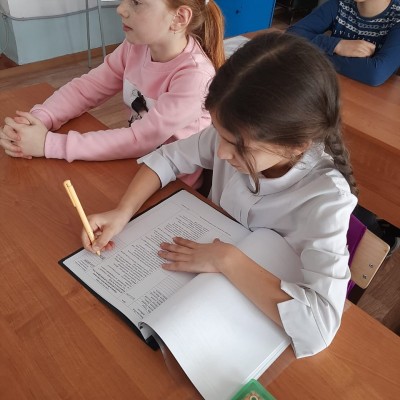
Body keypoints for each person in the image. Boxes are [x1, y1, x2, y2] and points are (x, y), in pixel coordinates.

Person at [80, 32, 358, 358]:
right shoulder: (235, 131)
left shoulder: (327, 200)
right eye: (219, 133)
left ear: (296, 146)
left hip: (248, 317)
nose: (222, 153)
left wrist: (226, 259)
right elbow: (169, 157)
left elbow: (319, 325)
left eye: (238, 146)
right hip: (206, 277)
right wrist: (123, 211)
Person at [0, 0, 225, 187]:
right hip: (134, 163)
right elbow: (86, 88)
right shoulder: (136, 46)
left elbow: (139, 139)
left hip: (172, 186)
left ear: (179, 18)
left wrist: (48, 144)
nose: (121, 9)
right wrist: (39, 120)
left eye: (136, 2)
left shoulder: (195, 77)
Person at [287, 0, 400, 86]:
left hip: (374, 101)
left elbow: (375, 74)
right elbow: (291, 35)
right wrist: (337, 45)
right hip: (332, 86)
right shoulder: (340, 4)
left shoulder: (397, 17)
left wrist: (319, 53)